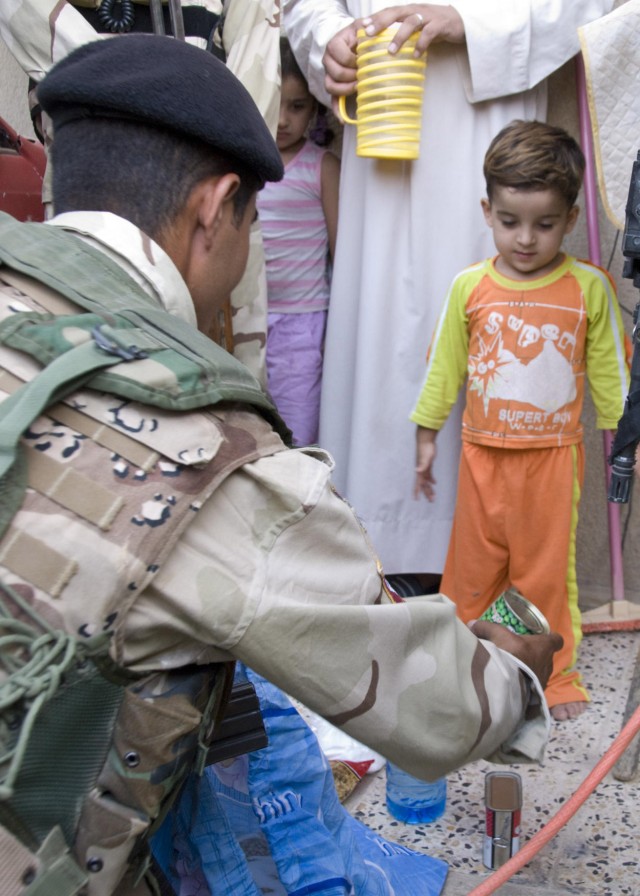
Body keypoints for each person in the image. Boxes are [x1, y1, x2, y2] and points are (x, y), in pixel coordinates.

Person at [0, 33, 563, 896]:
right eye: (254, 224)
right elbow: (435, 708)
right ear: (216, 208)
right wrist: (518, 676)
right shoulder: (211, 464)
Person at [282, 1, 616, 588]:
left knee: (489, 311)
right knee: (381, 330)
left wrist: (472, 23)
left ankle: (487, 575)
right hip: (378, 103)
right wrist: (328, 38)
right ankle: (376, 560)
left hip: (481, 110)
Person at [411, 120, 629, 722]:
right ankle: (460, 663)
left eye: (546, 224)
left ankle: (552, 676)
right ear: (488, 210)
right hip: (482, 458)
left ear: (571, 215)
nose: (527, 239)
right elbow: (445, 370)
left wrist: (624, 441)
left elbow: (610, 374)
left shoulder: (590, 289)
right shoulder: (469, 288)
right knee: (471, 573)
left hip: (554, 461)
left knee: (544, 575)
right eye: (511, 222)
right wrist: (427, 435)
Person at [0, 0, 281, 385]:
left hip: (216, 195)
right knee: (83, 365)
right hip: (99, 178)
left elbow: (252, 90)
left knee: (228, 385)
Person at [258, 36, 340, 445]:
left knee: (297, 434)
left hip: (303, 324)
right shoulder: (244, 162)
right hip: (248, 318)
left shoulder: (321, 167)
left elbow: (341, 250)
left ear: (315, 108)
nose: (284, 120)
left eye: (298, 106)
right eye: (278, 103)